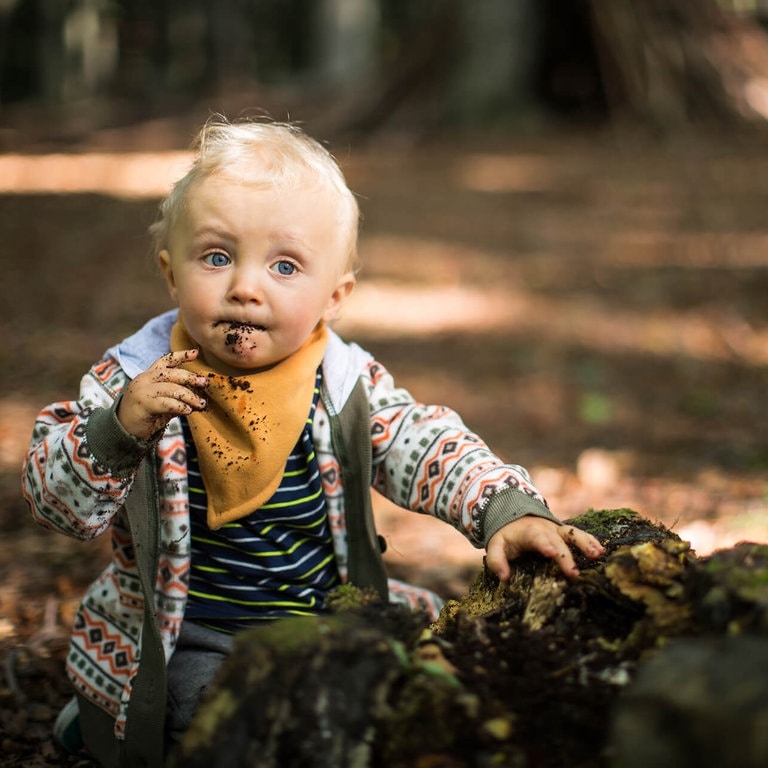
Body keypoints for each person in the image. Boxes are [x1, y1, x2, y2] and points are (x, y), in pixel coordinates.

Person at [22, 116, 604, 767]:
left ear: (334, 297)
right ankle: (109, 714)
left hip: (322, 616)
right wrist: (119, 429)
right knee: (220, 718)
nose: (245, 285)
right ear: (170, 274)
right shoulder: (136, 381)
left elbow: (425, 443)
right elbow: (57, 501)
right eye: (216, 257)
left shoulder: (342, 382)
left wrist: (503, 507)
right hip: (191, 634)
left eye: (285, 265)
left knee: (427, 663)